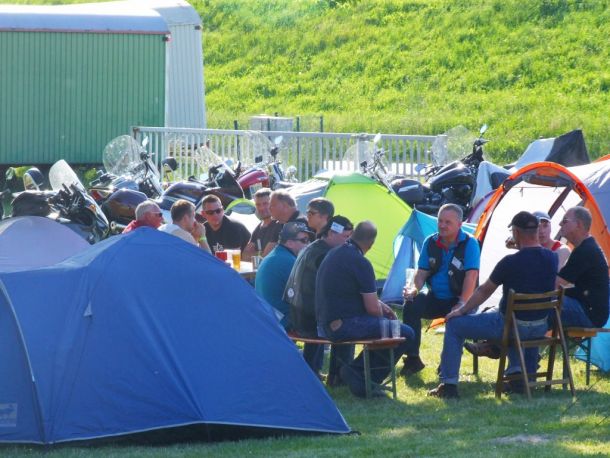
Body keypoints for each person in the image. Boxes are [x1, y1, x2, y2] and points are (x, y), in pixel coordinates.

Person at [428, 211, 558, 398]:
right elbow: (531, 261)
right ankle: (519, 376)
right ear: (537, 231)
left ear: (516, 232)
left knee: (455, 324)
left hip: (511, 326)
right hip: (540, 326)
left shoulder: (509, 262)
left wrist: (462, 310)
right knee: (512, 317)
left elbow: (484, 290)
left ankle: (448, 385)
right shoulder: (552, 258)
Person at [316, 221, 414, 398]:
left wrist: (382, 306)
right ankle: (363, 378)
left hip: (326, 323)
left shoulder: (335, 253)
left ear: (352, 234)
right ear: (371, 243)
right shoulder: (360, 262)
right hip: (344, 325)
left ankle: (357, 372)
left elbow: (358, 297)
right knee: (405, 332)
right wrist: (387, 317)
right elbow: (372, 309)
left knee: (388, 327)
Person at [401, 204, 480, 377]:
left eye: (447, 222)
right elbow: (422, 272)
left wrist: (462, 304)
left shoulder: (470, 243)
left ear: (459, 224)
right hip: (436, 297)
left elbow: (471, 276)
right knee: (411, 304)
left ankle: (447, 365)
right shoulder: (430, 241)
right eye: (440, 221)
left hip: (462, 298)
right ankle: (412, 359)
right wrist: (414, 289)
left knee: (456, 318)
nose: (442, 225)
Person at [284, 215, 353, 383]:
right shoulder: (325, 255)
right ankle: (338, 377)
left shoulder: (313, 247)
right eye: (345, 237)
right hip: (309, 320)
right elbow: (335, 290)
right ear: (331, 233)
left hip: (298, 314)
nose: (348, 242)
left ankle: (312, 372)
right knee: (349, 323)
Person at [556, 206, 609, 328]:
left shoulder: (585, 250)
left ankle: (526, 336)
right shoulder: (586, 246)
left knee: (544, 302)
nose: (560, 224)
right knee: (546, 301)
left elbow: (556, 284)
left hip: (590, 314)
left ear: (578, 225)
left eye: (565, 221)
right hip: (589, 309)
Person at [255, 222, 312, 329]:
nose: (308, 244)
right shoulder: (288, 261)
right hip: (281, 322)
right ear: (289, 243)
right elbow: (308, 295)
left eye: (309, 240)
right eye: (304, 240)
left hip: (267, 317)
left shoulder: (276, 255)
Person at [242, 188, 282, 260]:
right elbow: (244, 255)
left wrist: (257, 254)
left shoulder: (280, 224)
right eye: (258, 204)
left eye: (265, 204)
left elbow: (266, 257)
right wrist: (260, 254)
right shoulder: (258, 228)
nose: (262, 208)